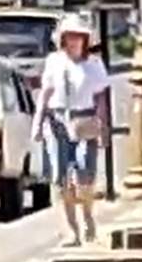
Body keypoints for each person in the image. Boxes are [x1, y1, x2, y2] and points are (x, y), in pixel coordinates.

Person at [31, 13, 112, 247]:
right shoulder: (54, 61)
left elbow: (101, 98)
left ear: (85, 40)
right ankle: (71, 230)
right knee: (61, 178)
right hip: (58, 121)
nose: (74, 41)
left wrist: (103, 127)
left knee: (85, 174)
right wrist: (38, 122)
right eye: (70, 36)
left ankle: (87, 217)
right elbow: (46, 92)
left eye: (79, 37)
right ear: (63, 39)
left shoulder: (93, 65)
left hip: (84, 120)